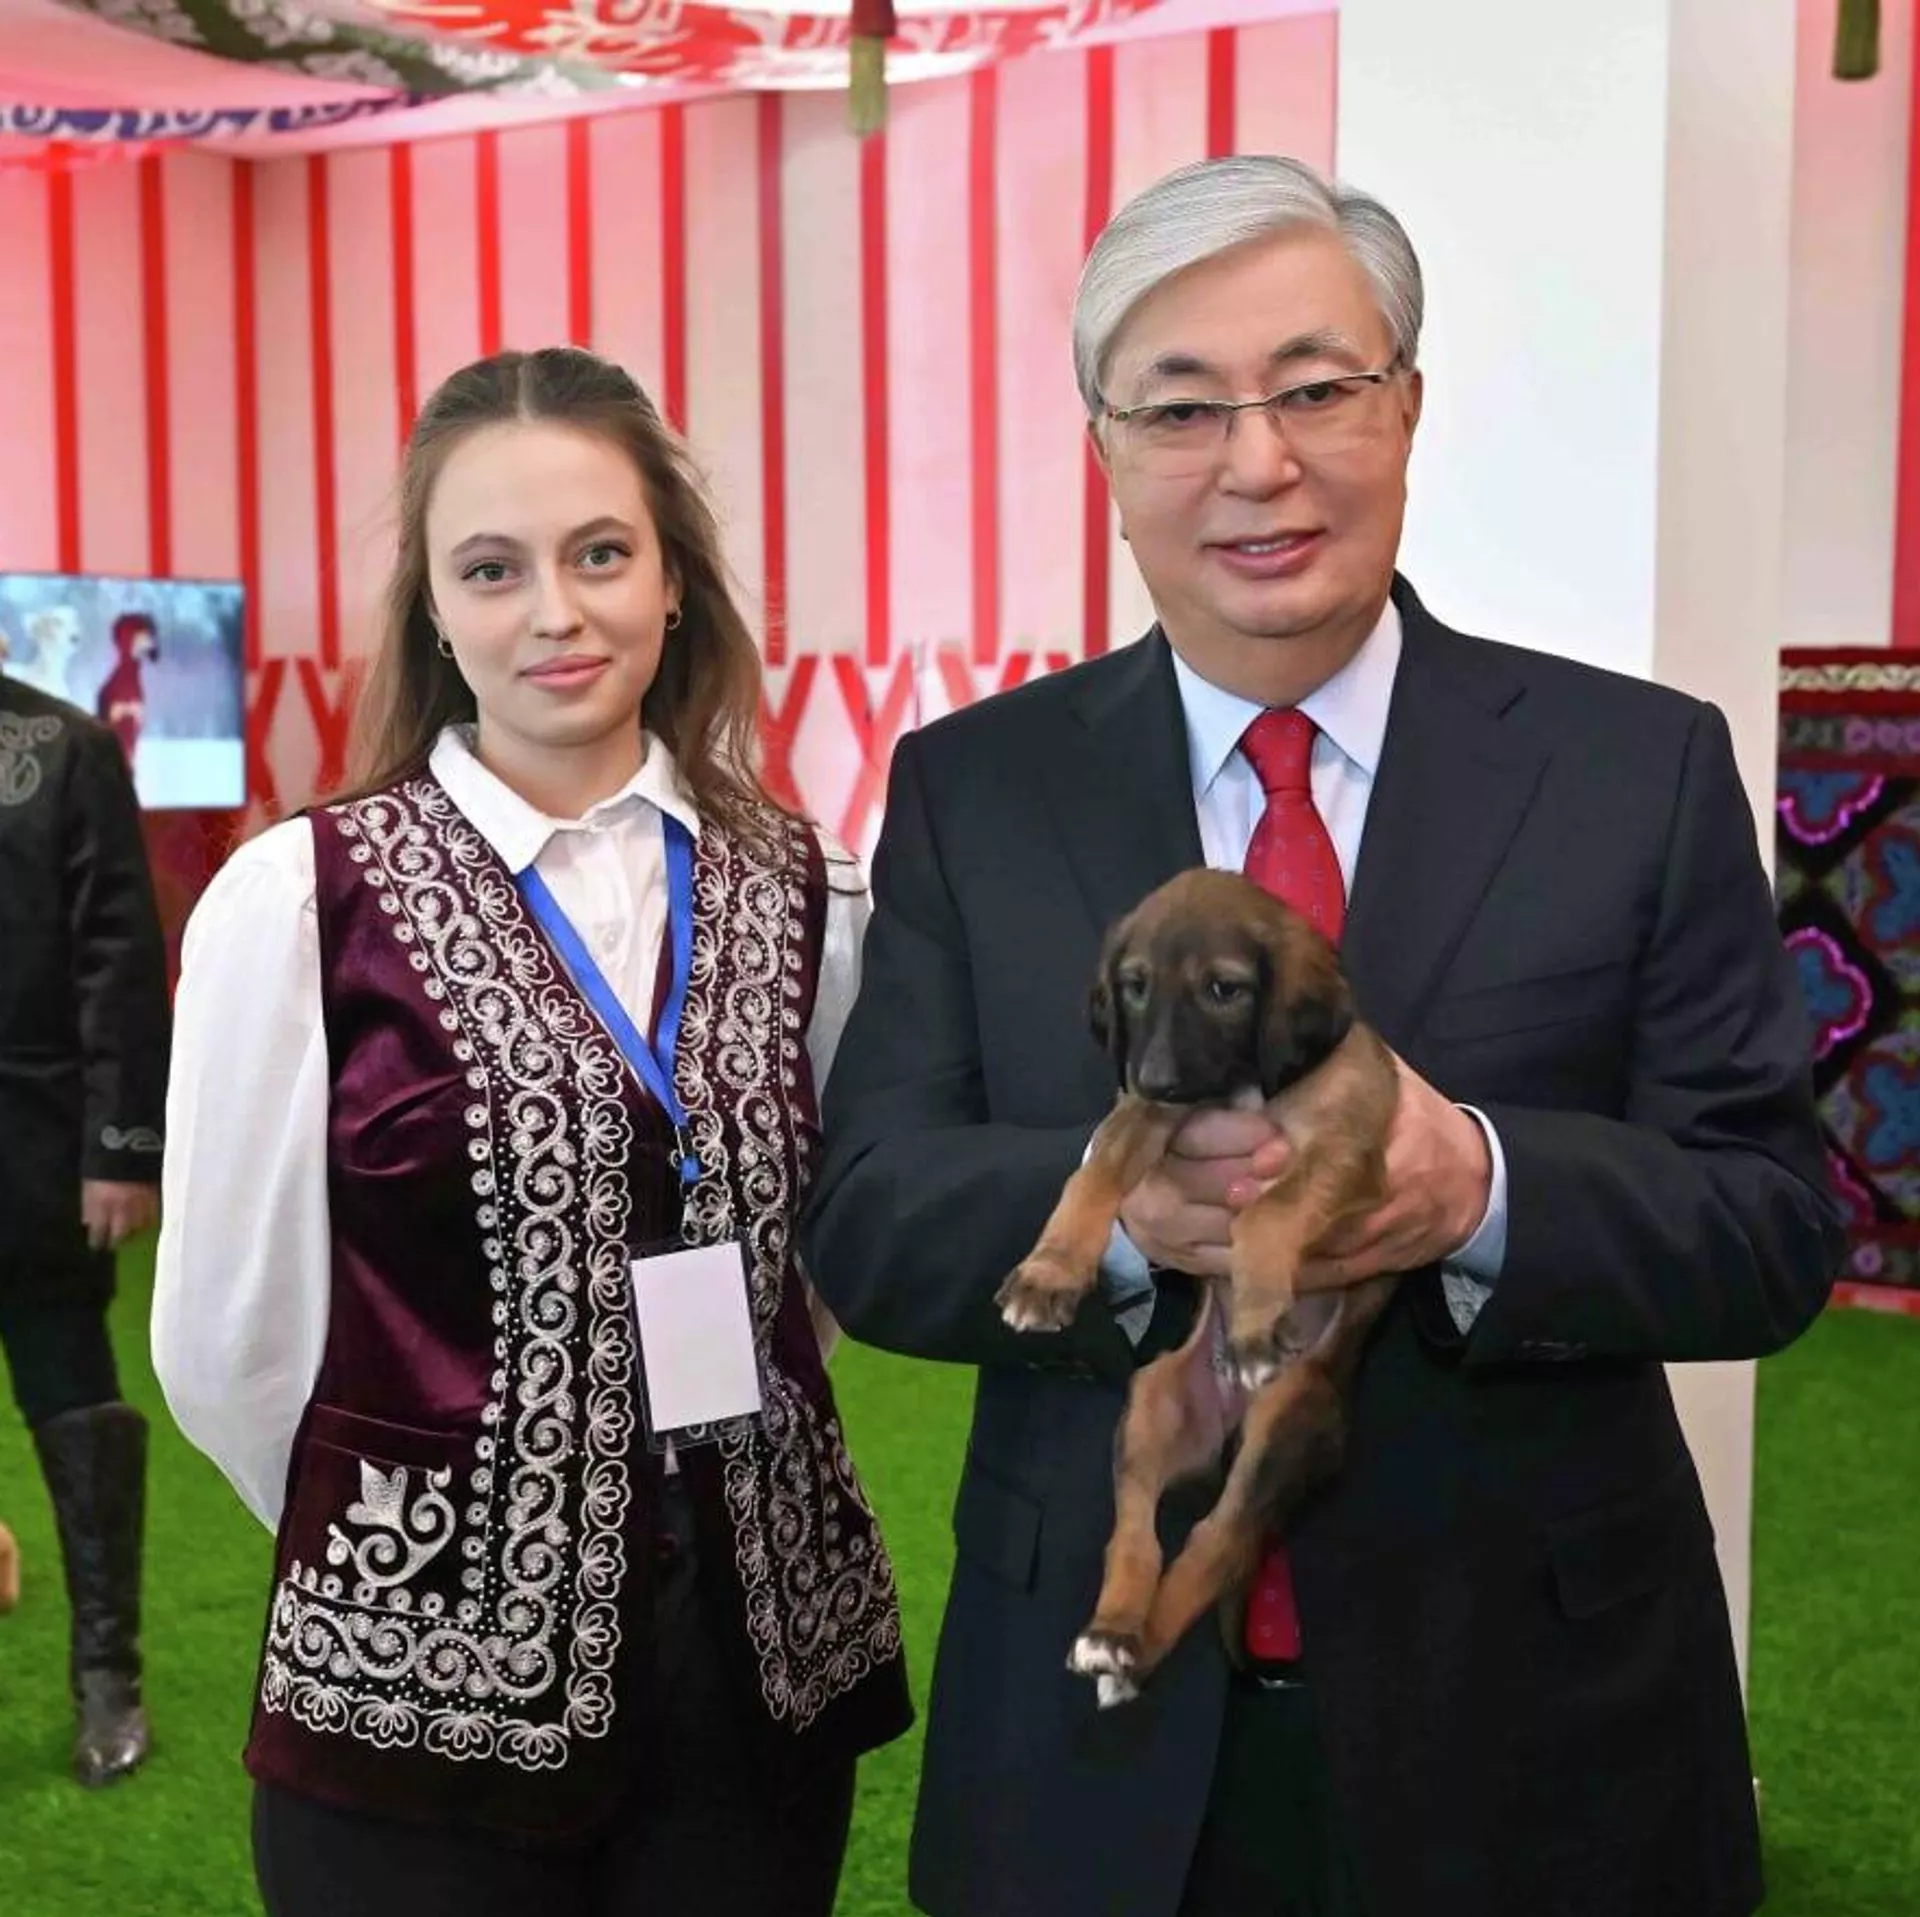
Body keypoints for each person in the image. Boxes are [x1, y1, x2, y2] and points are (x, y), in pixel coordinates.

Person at [804, 155, 1842, 1917]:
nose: (1259, 462)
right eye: (1182, 409)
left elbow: (1768, 1226)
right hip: (1093, 1753)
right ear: (1106, 455)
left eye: (1315, 389)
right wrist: (1121, 1220)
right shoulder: (976, 789)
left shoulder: (1634, 770)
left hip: (1541, 1732)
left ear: (1407, 409)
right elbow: (873, 1216)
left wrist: (1481, 1189)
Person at [153, 345, 910, 1917]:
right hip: (415, 1685)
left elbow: (819, 1260)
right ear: (434, 609)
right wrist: (435, 1525)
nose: (554, 612)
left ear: (674, 583)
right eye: (492, 568)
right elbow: (228, 1340)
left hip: (757, 1664)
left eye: (601, 554)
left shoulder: (812, 886)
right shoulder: (297, 901)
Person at [0, 668, 169, 1787]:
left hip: (33, 1149)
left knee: (71, 1396)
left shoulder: (62, 747)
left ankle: (109, 1676)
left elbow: (120, 955)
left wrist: (121, 1149)